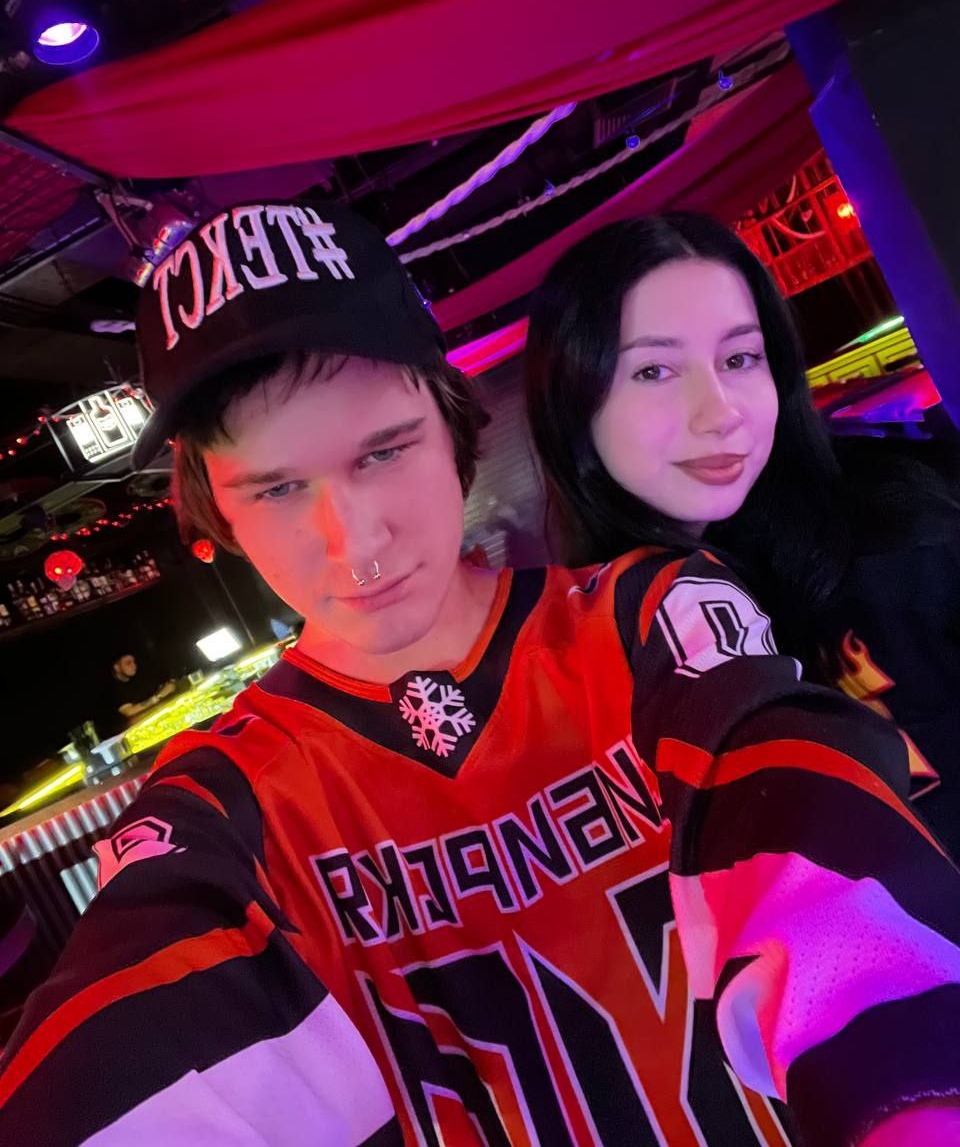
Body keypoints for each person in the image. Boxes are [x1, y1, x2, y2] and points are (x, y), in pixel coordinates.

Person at [1, 200, 959, 1147]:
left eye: (385, 451)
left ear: (453, 422)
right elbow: (139, 1046)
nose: (355, 541)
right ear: (218, 508)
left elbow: (807, 838)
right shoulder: (221, 802)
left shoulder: (649, 620)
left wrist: (910, 1092)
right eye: (279, 488)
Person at [524, 211, 960, 856]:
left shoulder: (902, 538)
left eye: (739, 358)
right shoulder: (587, 666)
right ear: (572, 405)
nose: (721, 412)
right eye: (654, 371)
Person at [109, 651, 176, 723]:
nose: (134, 665)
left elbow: (163, 688)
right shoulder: (113, 689)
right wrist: (158, 696)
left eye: (134, 662)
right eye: (128, 663)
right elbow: (129, 712)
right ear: (117, 667)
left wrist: (167, 687)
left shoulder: (138, 678)